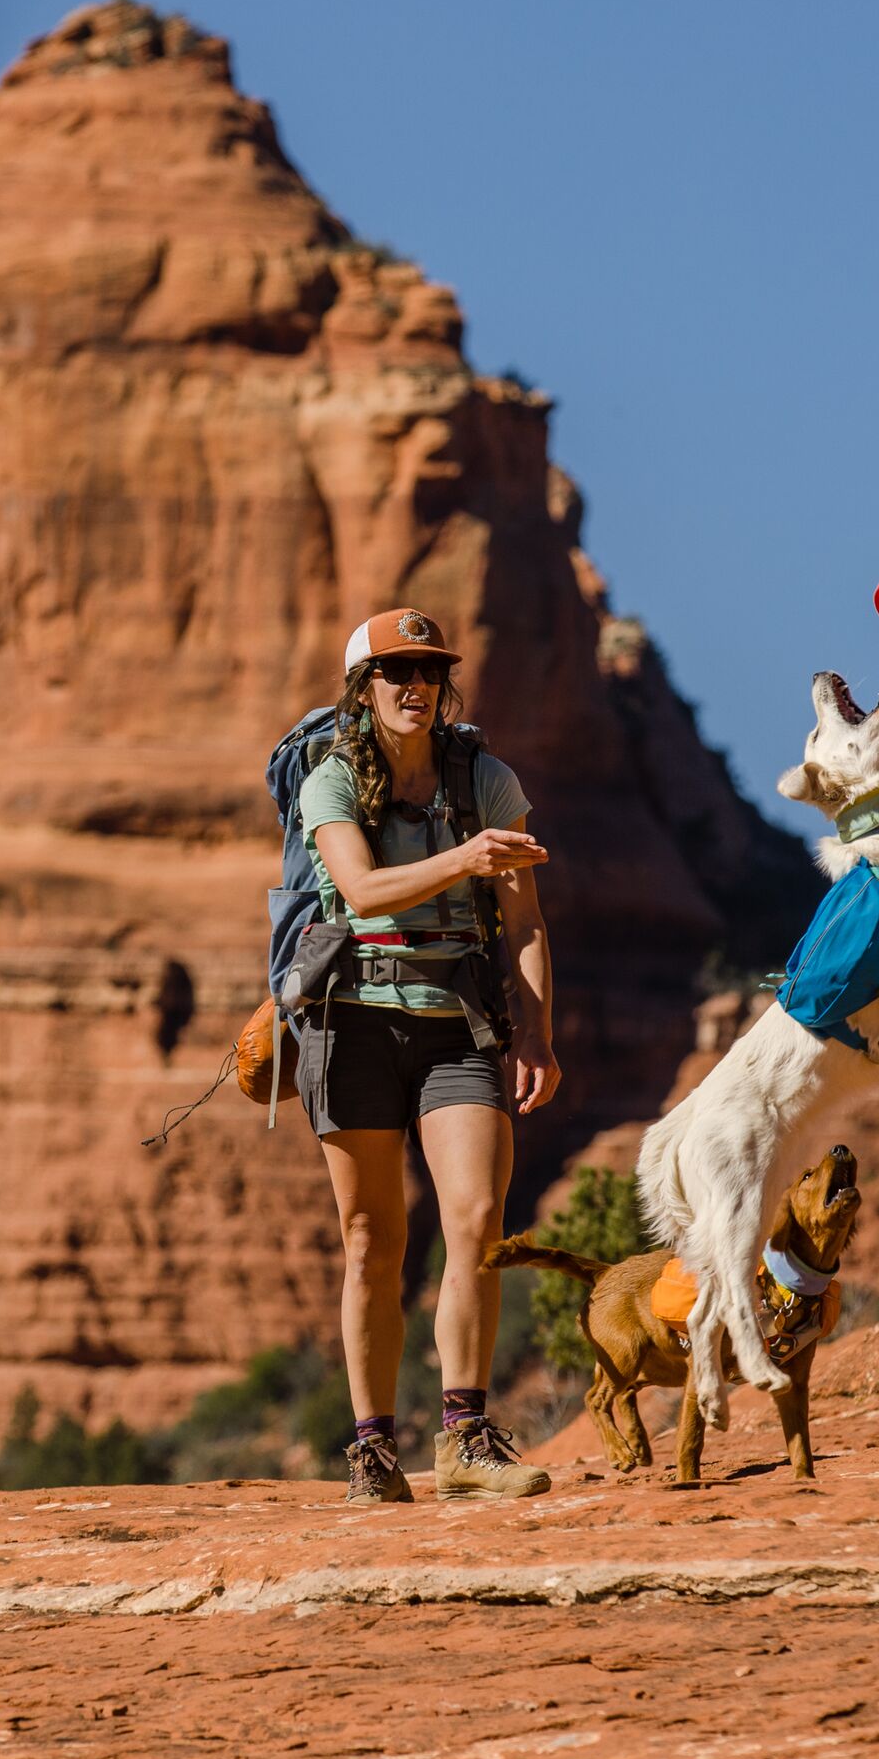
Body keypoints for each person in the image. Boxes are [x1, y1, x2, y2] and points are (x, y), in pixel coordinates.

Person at [296, 608, 560, 1504]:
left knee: (478, 1218)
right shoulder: (329, 784)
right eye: (395, 673)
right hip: (352, 1021)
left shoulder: (485, 780)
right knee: (373, 1238)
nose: (416, 688)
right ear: (361, 690)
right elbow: (363, 891)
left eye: (430, 673)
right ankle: (373, 1448)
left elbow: (524, 921)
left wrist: (535, 1030)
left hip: (455, 1020)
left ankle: (463, 1437)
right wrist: (467, 860)